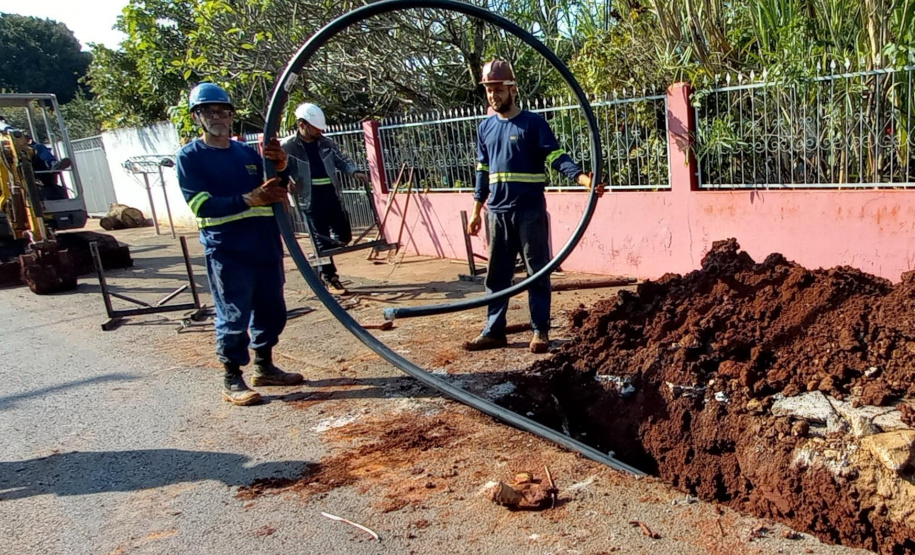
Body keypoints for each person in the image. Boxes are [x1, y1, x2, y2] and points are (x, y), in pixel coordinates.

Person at [464, 59, 605, 354]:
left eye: (498, 89)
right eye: (489, 90)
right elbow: (482, 170)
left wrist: (581, 178)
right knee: (497, 276)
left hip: (529, 213)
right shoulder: (485, 128)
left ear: (512, 89)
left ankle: (540, 330)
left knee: (537, 272)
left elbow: (555, 157)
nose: (493, 96)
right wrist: (477, 210)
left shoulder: (533, 124)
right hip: (497, 214)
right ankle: (494, 331)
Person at [176, 83, 304, 406]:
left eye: (222, 111)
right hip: (228, 250)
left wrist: (282, 163)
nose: (217, 117)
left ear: (232, 116)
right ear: (197, 117)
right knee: (234, 313)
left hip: (264, 243)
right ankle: (232, 376)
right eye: (209, 111)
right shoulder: (191, 158)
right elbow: (201, 205)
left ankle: (264, 365)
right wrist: (248, 198)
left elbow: (277, 184)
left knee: (272, 309)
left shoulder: (247, 153)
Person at [281, 103, 370, 292]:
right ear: (302, 124)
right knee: (320, 240)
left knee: (343, 235)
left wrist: (354, 172)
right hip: (309, 198)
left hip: (330, 194)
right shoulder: (288, 146)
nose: (319, 132)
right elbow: (279, 168)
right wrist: (286, 181)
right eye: (315, 128)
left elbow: (341, 160)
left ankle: (318, 264)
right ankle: (330, 277)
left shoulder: (326, 143)